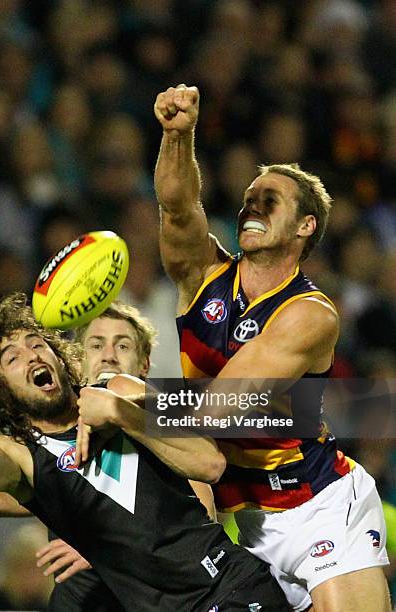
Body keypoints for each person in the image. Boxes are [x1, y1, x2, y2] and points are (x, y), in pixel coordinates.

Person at [152, 84, 391, 612]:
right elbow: (176, 205)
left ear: (306, 227)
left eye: (270, 200)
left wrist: (128, 404)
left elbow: (223, 404)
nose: (251, 207)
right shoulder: (202, 277)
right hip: (245, 522)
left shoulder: (310, 314)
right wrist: (177, 135)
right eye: (247, 200)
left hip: (318, 504)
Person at [0, 292, 290, 611]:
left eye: (37, 344)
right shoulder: (20, 453)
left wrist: (119, 413)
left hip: (227, 586)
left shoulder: (120, 389)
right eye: (13, 358)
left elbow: (210, 463)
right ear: (2, 389)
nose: (32, 355)